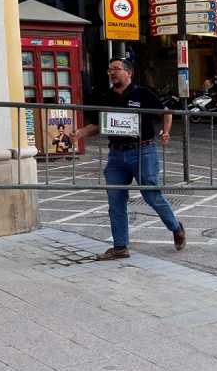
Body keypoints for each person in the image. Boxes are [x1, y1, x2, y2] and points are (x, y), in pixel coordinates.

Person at [73, 58, 185, 260]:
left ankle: (176, 227)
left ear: (128, 73)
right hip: (116, 155)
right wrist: (80, 133)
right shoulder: (106, 97)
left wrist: (166, 132)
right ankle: (120, 247)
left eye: (116, 69)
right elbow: (99, 125)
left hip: (143, 151)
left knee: (152, 196)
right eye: (110, 70)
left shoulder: (142, 93)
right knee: (115, 201)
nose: (112, 73)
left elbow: (166, 113)